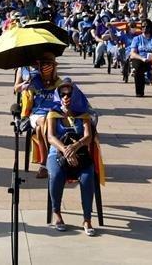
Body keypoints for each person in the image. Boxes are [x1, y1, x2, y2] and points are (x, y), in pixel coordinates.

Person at [46, 78, 98, 236]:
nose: (66, 97)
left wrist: (75, 147)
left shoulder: (83, 115)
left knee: (88, 177)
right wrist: (65, 150)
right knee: (55, 175)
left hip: (80, 153)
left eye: (69, 94)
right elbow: (50, 137)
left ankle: (87, 219)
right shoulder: (53, 113)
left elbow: (88, 136)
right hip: (57, 153)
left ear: (75, 95)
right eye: (62, 94)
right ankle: (57, 213)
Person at [126, 21, 152, 97]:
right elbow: (133, 53)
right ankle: (139, 92)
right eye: (143, 27)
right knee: (138, 68)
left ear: (151, 28)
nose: (144, 28)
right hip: (140, 58)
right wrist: (142, 58)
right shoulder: (137, 39)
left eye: (147, 27)